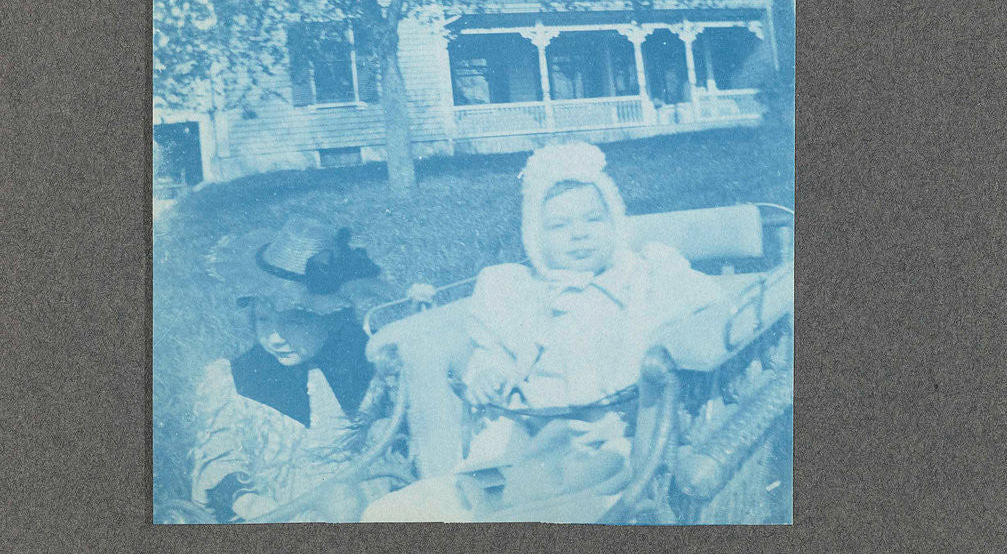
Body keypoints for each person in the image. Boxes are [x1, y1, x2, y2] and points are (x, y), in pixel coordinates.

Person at [361, 141, 723, 522]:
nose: (578, 234)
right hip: (529, 430)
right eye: (559, 225)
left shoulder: (640, 281)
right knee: (482, 486)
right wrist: (490, 373)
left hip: (608, 433)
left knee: (575, 491)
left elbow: (702, 297)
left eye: (593, 220)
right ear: (536, 236)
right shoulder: (520, 292)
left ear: (615, 223)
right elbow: (496, 349)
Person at [189, 215, 388, 523]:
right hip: (278, 510)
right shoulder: (238, 380)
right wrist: (251, 504)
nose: (275, 338)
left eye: (295, 322)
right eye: (264, 320)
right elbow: (220, 459)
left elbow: (395, 426)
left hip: (362, 504)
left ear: (331, 319)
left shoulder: (363, 360)